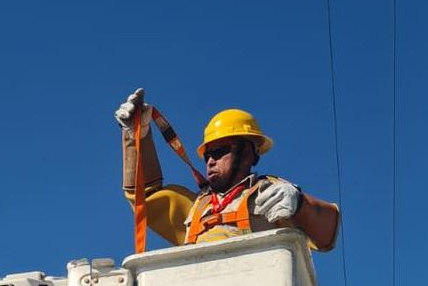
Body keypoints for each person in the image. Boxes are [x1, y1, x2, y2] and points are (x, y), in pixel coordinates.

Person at [114, 88, 340, 250]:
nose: (211, 160)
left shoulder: (271, 193)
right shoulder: (197, 208)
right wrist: (136, 137)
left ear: (249, 152)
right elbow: (144, 200)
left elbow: (326, 235)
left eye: (220, 151)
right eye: (208, 154)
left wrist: (300, 205)